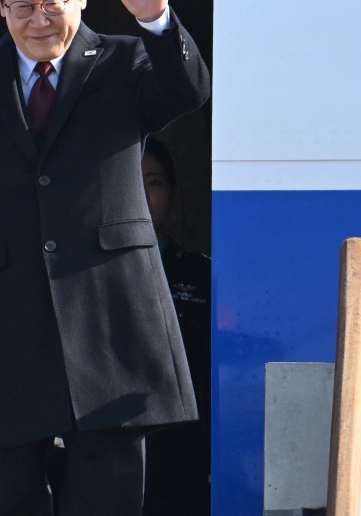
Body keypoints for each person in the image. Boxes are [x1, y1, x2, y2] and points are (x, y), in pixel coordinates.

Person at [0, 0, 211, 516]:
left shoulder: (126, 60)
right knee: (12, 493)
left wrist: (157, 21)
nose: (38, 19)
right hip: (6, 321)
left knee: (107, 496)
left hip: (112, 317)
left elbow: (188, 92)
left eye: (52, 2)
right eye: (21, 5)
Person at [140, 136, 212, 515]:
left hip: (182, 461)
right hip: (104, 462)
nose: (143, 195)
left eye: (154, 182)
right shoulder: (80, 279)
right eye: (131, 182)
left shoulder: (202, 274)